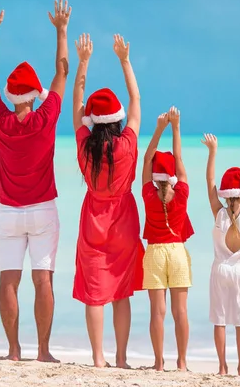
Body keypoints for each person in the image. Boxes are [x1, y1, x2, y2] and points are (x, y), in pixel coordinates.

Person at [0, 0, 70, 362]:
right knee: (43, 280)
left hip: (8, 213)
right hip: (43, 210)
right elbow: (62, 73)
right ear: (34, 95)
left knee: (8, 281)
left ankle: (14, 351)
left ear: (11, 96)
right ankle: (44, 351)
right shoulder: (45, 117)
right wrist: (62, 31)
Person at [71, 33, 144, 369]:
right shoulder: (127, 144)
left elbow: (76, 106)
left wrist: (83, 62)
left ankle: (98, 359)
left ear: (92, 120)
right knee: (121, 292)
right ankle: (121, 358)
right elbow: (135, 100)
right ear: (117, 119)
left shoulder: (85, 145)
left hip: (93, 220)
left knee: (95, 293)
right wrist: (125, 60)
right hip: (124, 221)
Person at [201, 132, 240, 376]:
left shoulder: (219, 213)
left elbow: (209, 182)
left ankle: (222, 366)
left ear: (226, 196)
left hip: (221, 270)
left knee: (220, 319)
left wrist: (212, 152)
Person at [141, 107, 194, 372]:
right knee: (180, 312)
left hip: (154, 253)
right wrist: (176, 126)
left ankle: (158, 363)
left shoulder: (149, 196)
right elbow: (180, 158)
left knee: (157, 312)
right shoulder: (182, 193)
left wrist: (159, 129)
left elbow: (147, 158)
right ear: (172, 176)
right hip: (177, 252)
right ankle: (182, 363)